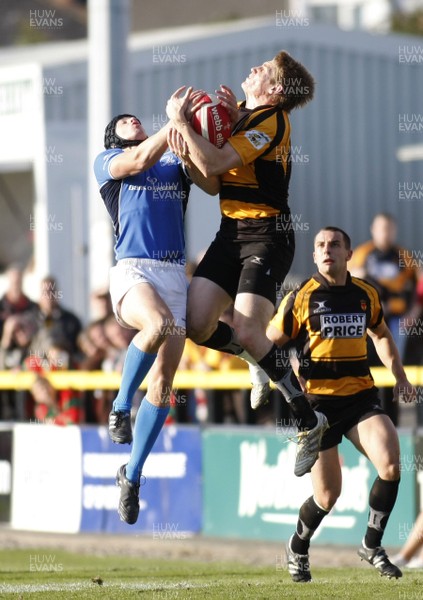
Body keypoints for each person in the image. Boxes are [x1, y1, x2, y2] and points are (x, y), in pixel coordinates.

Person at [166, 51, 327, 476]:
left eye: (264, 71)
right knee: (196, 323)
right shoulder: (237, 114)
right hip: (230, 234)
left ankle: (308, 420)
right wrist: (186, 152)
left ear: (275, 91)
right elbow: (211, 180)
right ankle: (257, 359)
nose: (253, 69)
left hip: (269, 235)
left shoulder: (271, 122)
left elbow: (217, 162)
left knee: (248, 328)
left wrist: (182, 123)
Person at [262, 226, 415, 582]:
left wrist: (401, 377)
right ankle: (298, 547)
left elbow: (381, 335)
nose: (327, 249)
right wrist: (290, 378)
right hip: (317, 409)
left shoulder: (366, 293)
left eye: (334, 244)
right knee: (328, 497)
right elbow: (268, 345)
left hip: (361, 398)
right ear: (314, 256)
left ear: (349, 254)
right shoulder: (301, 296)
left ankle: (372, 545)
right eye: (320, 245)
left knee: (391, 464)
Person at [93, 112, 219, 524]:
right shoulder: (110, 160)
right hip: (134, 268)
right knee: (157, 324)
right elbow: (140, 160)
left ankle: (131, 474)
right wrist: (177, 122)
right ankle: (119, 406)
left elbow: (212, 184)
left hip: (172, 274)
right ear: (115, 135)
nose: (134, 120)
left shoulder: (171, 154)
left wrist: (196, 136)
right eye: (125, 120)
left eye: (136, 118)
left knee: (164, 385)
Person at [348, 212, 418, 425]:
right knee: (369, 369)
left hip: (398, 320)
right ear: (373, 230)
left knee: (394, 366)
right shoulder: (363, 254)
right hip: (371, 321)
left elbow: (417, 291)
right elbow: (349, 280)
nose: (385, 233)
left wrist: (412, 314)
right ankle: (369, 416)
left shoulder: (404, 256)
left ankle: (395, 415)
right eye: (381, 228)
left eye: (389, 229)